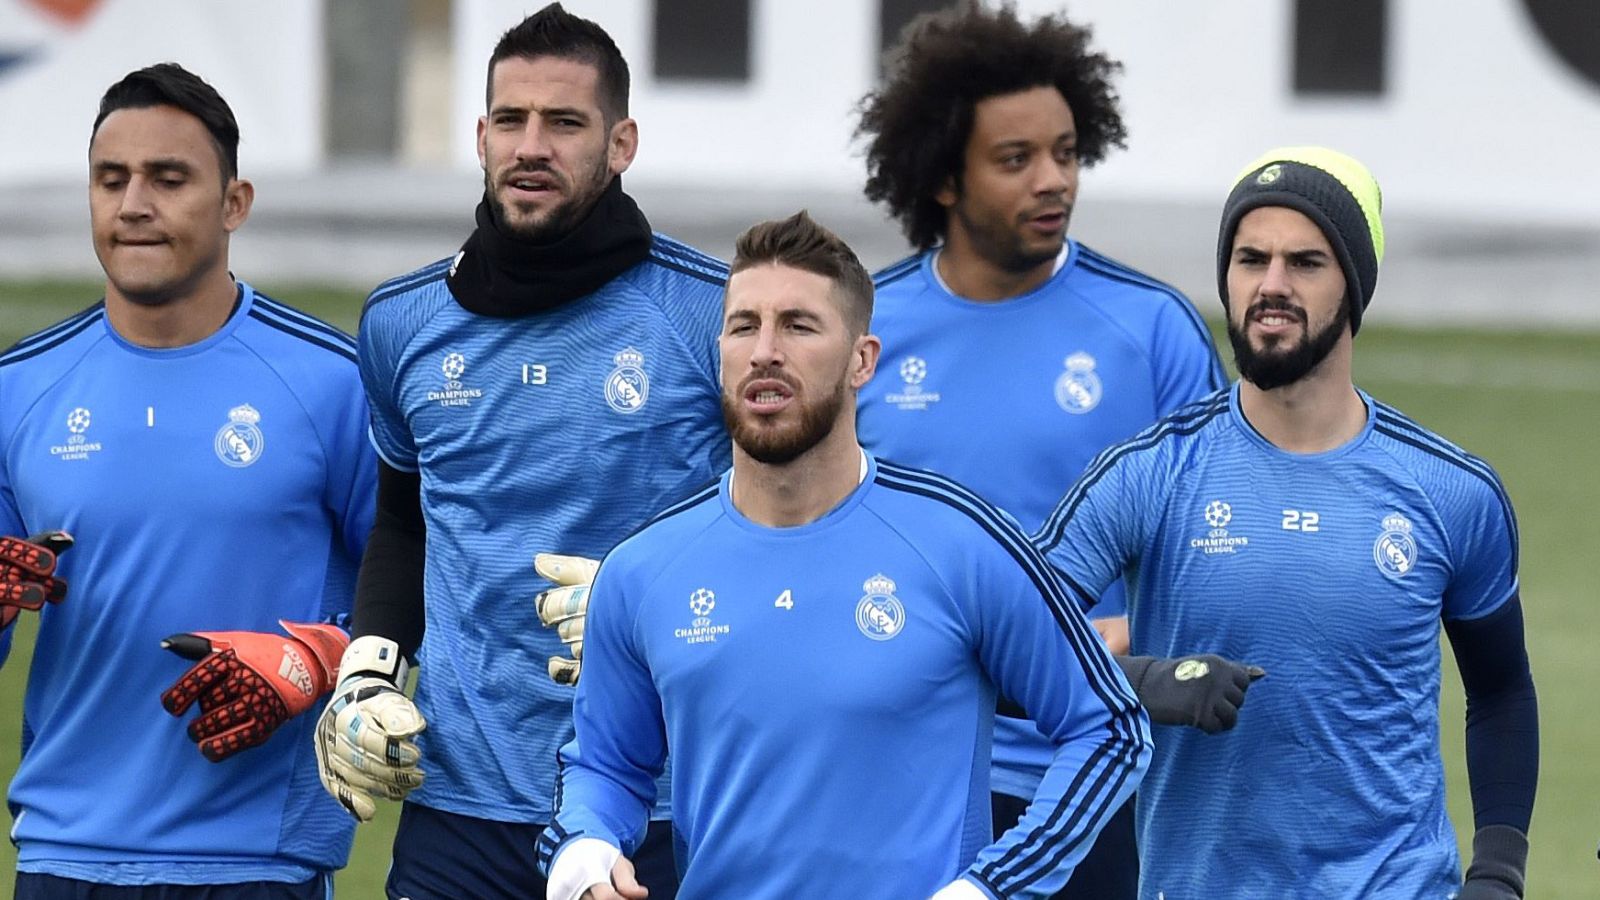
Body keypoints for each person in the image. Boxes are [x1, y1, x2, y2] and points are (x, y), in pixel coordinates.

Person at [539, 211, 1151, 900]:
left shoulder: (960, 542)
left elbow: (1110, 726)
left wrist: (991, 887)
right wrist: (585, 849)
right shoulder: (643, 570)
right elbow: (604, 767)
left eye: (798, 325)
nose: (765, 350)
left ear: (863, 360)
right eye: (745, 326)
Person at [1033, 146, 1539, 897]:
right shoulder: (1148, 473)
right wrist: (1146, 682)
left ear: (1354, 287)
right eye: (1250, 259)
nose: (1270, 286)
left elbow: (1501, 690)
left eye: (1304, 262)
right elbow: (1004, 643)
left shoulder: (1450, 491)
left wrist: (1498, 871)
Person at [313, 5, 728, 898]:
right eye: (512, 120)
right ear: (481, 135)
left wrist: (646, 603)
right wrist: (367, 667)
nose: (531, 145)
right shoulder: (402, 323)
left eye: (564, 123)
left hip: (654, 803)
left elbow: (794, 524)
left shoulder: (713, 317)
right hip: (457, 810)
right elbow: (404, 521)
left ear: (621, 144)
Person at [854, 5, 1241, 895]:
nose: (1053, 181)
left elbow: (1226, 547)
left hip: (1093, 775)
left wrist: (1126, 634)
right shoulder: (863, 334)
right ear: (944, 176)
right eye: (1015, 159)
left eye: (1066, 152)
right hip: (903, 775)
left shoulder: (1151, 335)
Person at [0, 63, 375, 897]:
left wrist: (317, 653)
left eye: (169, 178)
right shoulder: (18, 388)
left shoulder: (331, 384)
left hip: (257, 866)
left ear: (235, 202)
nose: (134, 203)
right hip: (65, 855)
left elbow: (420, 586)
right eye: (111, 179)